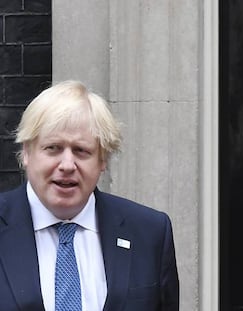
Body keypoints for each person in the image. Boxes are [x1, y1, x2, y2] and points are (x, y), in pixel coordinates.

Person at [0, 80, 179, 310]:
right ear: (27, 152)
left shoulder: (149, 232)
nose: (67, 165)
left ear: (102, 160)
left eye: (81, 151)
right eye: (53, 148)